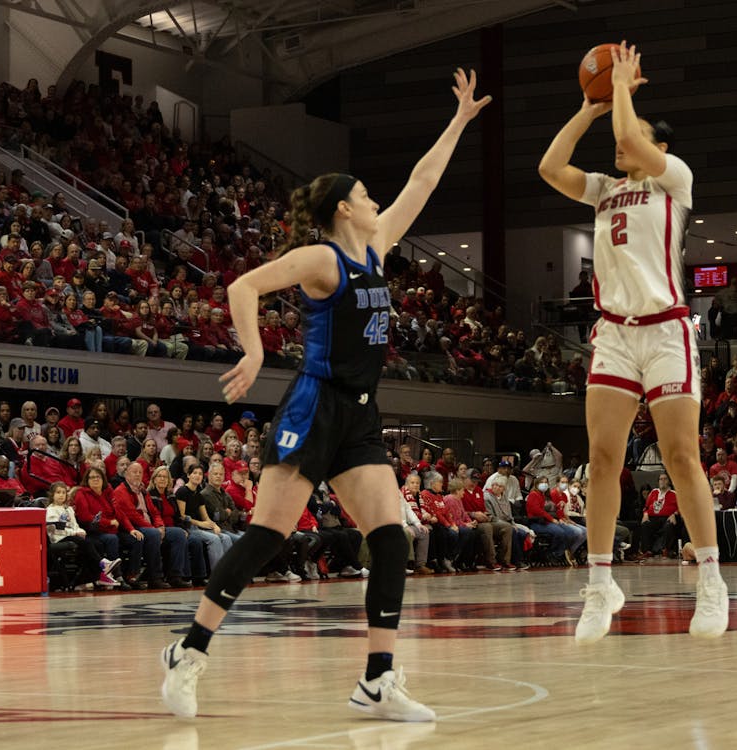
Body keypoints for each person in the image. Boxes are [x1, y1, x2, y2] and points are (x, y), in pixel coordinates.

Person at [160, 68, 491, 722]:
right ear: (344, 207)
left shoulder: (374, 245)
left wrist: (457, 121)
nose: (376, 198)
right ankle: (188, 652)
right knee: (266, 537)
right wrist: (255, 351)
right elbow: (243, 288)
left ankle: (377, 679)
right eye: (366, 193)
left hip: (361, 416)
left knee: (391, 539)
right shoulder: (321, 260)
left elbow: (422, 180)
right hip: (314, 406)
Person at [538, 41, 727, 643]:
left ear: (659, 147)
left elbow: (634, 133)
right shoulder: (603, 188)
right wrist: (591, 106)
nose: (619, 143)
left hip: (668, 330)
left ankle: (711, 579)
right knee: (602, 460)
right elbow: (549, 166)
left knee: (680, 458)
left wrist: (619, 91)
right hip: (615, 334)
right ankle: (599, 585)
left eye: (633, 136)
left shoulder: (675, 180)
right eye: (618, 136)